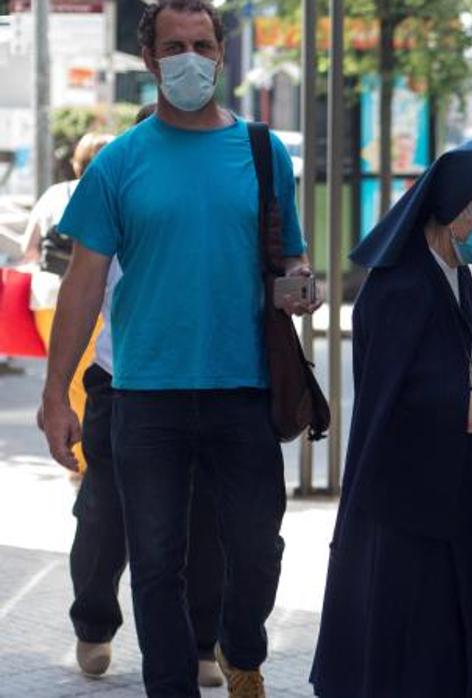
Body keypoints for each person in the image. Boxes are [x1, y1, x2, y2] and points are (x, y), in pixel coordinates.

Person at [38, 1, 315, 695]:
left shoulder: (262, 150)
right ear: (150, 58)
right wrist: (53, 398)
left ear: (222, 54)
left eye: (201, 43)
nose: (189, 57)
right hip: (144, 396)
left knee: (256, 549)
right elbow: (80, 288)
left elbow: (294, 260)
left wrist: (299, 285)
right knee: (157, 562)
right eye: (173, 45)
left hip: (243, 389)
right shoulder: (120, 163)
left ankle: (242, 645)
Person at [310, 141, 472, 697]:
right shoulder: (403, 289)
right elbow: (450, 410)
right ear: (457, 215)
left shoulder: (449, 269)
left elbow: (446, 373)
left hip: (445, 480)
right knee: (414, 649)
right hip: (409, 496)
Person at [67, 103, 226, 689]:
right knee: (107, 511)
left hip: (210, 382)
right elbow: (83, 291)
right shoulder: (115, 185)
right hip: (123, 378)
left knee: (204, 516)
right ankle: (94, 624)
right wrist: (57, 392)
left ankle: (203, 640)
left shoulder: (214, 193)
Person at [21, 132, 113, 467]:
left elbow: (28, 250)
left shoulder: (54, 195)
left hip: (48, 298)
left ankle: (80, 459)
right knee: (92, 373)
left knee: (68, 377)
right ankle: (86, 459)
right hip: (96, 300)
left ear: (77, 163)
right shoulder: (114, 190)